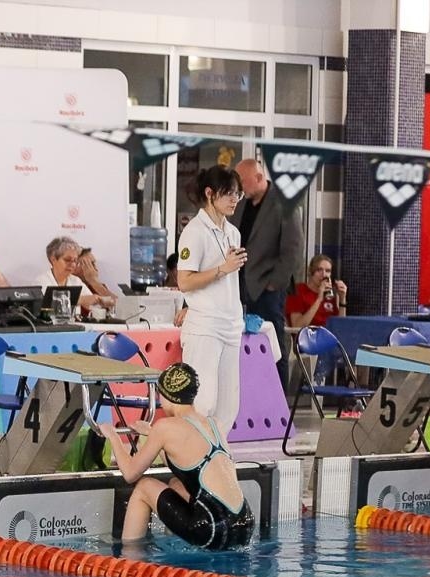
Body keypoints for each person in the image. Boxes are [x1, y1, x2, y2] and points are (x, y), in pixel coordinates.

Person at [99, 363, 254, 549]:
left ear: (165, 395)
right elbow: (184, 464)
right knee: (176, 484)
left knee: (144, 487)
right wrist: (152, 434)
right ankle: (174, 545)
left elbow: (130, 473)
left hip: (213, 530)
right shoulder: (214, 424)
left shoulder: (165, 427)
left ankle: (129, 562)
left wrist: (113, 436)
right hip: (243, 525)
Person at [175, 164, 248, 433]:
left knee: (228, 407)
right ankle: (191, 460)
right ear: (210, 193)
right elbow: (184, 281)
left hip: (230, 325)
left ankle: (215, 459)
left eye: (238, 194)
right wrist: (222, 269)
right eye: (228, 193)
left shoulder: (233, 232)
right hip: (205, 327)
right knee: (202, 403)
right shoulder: (195, 232)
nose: (234, 200)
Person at [232, 157, 303, 363]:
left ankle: (278, 393)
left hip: (266, 286)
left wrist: (275, 284)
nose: (240, 187)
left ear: (259, 177)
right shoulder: (240, 203)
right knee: (244, 343)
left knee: (271, 345)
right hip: (239, 282)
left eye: (243, 182)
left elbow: (293, 248)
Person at [34, 237, 114, 316]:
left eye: (75, 261)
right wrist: (80, 300)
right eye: (67, 260)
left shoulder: (76, 281)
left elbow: (93, 305)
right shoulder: (41, 281)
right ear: (53, 259)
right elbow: (44, 305)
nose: (72, 265)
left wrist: (101, 300)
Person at [286, 254, 348, 330]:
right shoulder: (298, 290)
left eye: (327, 271)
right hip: (308, 338)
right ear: (311, 272)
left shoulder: (330, 294)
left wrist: (342, 299)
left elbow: (341, 326)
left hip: (328, 337)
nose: (324, 274)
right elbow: (297, 326)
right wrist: (319, 299)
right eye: (319, 270)